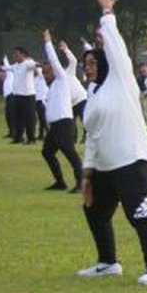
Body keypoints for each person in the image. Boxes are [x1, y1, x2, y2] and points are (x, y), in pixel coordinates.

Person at [78, 0, 147, 286]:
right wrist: (87, 174)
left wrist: (107, 14)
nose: (88, 69)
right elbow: (91, 136)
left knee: (140, 213)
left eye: (92, 64)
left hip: (132, 160)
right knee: (93, 210)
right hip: (104, 166)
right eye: (85, 64)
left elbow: (115, 49)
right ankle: (107, 262)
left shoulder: (120, 80)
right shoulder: (93, 96)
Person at [40, 31, 85, 193]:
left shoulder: (61, 79)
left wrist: (48, 43)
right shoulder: (52, 87)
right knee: (47, 152)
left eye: (48, 72)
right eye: (44, 73)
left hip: (64, 123)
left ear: (55, 71)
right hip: (55, 126)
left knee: (70, 153)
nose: (45, 75)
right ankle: (60, 182)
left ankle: (81, 183)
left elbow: (54, 60)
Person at [4, 47, 39, 144]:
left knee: (29, 118)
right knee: (18, 118)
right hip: (17, 95)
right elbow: (8, 68)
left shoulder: (27, 63)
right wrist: (1, 67)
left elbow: (35, 65)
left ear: (23, 55)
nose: (15, 56)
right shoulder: (15, 66)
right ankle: (18, 137)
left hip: (28, 95)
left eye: (17, 54)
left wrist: (35, 63)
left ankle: (31, 138)